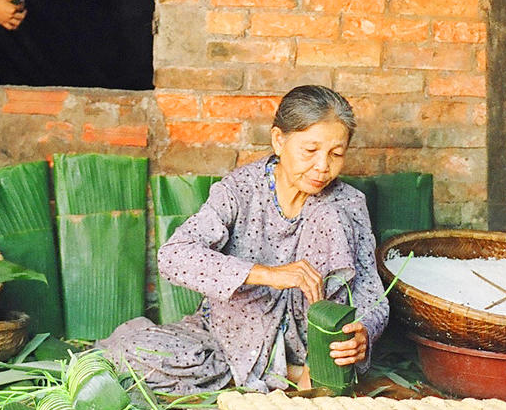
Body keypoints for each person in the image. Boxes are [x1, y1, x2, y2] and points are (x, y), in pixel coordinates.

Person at [99, 85, 388, 394]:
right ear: (279, 140)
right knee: (129, 353)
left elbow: (371, 291)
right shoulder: (240, 189)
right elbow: (174, 256)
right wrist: (267, 275)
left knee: (328, 214)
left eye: (336, 154)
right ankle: (281, 372)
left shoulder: (347, 203)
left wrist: (364, 333)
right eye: (310, 150)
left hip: (312, 346)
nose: (322, 166)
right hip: (235, 338)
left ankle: (309, 369)